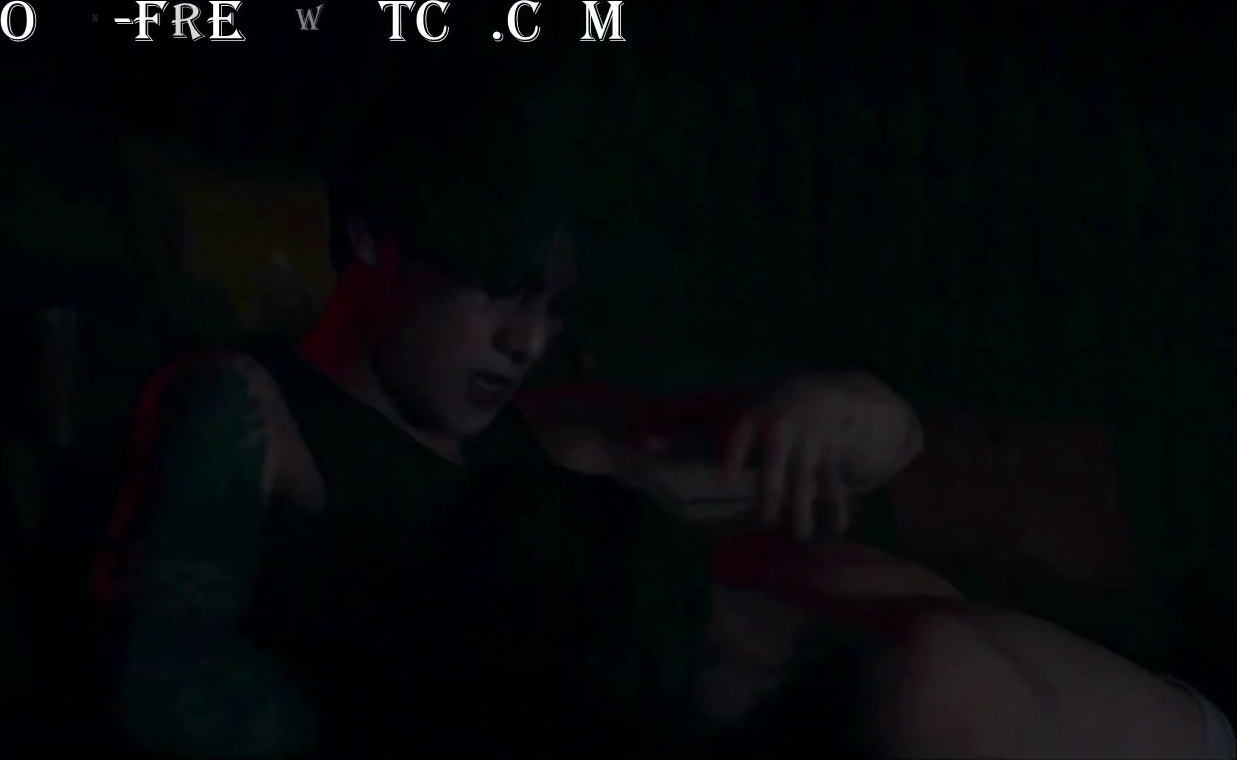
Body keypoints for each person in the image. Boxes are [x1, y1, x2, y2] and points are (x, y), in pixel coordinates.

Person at [94, 97, 1232, 758]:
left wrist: (846, 402)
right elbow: (151, 665)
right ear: (371, 239)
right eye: (498, 292)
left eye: (553, 310)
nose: (527, 340)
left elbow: (871, 453)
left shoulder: (546, 440)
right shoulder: (251, 406)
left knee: (871, 621)